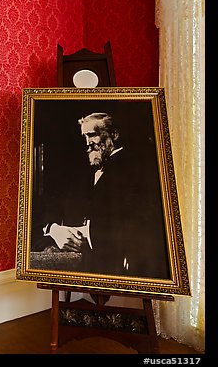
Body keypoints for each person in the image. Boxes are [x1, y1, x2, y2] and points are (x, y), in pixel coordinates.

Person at [41, 112, 170, 279]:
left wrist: (83, 233)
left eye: (92, 135)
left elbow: (137, 225)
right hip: (88, 261)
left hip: (125, 267)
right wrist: (55, 229)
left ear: (114, 135)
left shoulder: (135, 169)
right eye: (85, 137)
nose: (88, 143)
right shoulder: (89, 171)